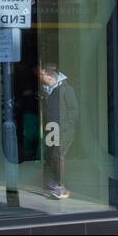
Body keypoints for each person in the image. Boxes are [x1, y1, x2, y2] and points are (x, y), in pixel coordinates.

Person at [37, 62, 79, 200]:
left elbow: (74, 110)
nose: (39, 77)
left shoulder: (66, 89)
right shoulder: (47, 90)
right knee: (51, 156)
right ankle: (55, 184)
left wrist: (65, 127)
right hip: (52, 128)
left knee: (58, 156)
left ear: (49, 76)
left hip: (63, 130)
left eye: (41, 74)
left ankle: (62, 188)